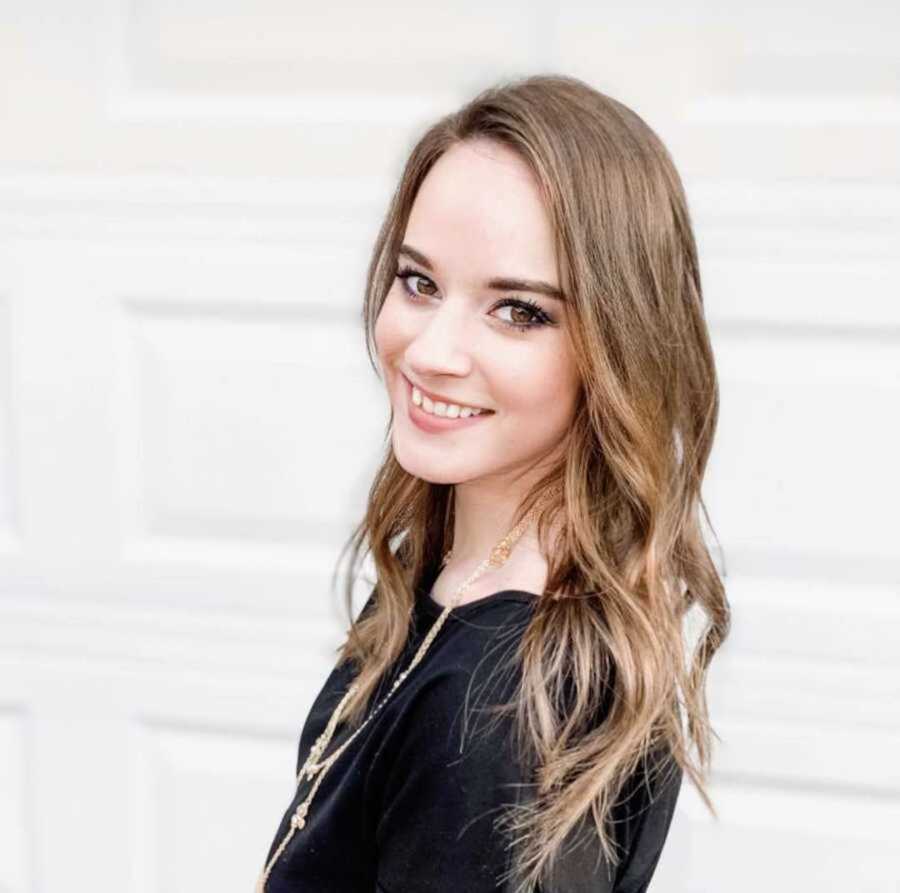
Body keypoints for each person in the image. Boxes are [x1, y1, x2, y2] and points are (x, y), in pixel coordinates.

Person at [256, 73, 730, 892]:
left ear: (617, 347)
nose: (432, 349)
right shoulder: (468, 577)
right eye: (420, 282)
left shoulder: (491, 719)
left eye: (518, 310)